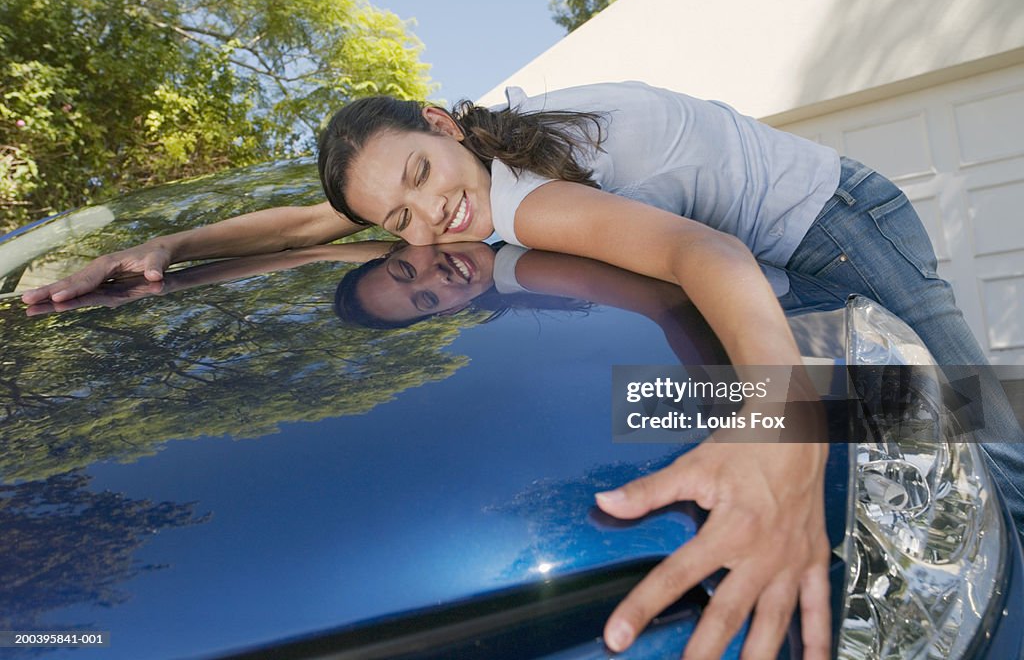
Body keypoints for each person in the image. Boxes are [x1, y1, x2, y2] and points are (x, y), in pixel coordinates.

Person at [21, 80, 1021, 659]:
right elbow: (307, 218)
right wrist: (169, 247)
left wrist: (781, 441)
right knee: (863, 415)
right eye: (395, 222)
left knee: (975, 420)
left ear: (443, 124)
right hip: (754, 252)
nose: (426, 222)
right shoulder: (438, 177)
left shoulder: (519, 195)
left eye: (421, 178)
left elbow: (702, 258)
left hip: (832, 221)